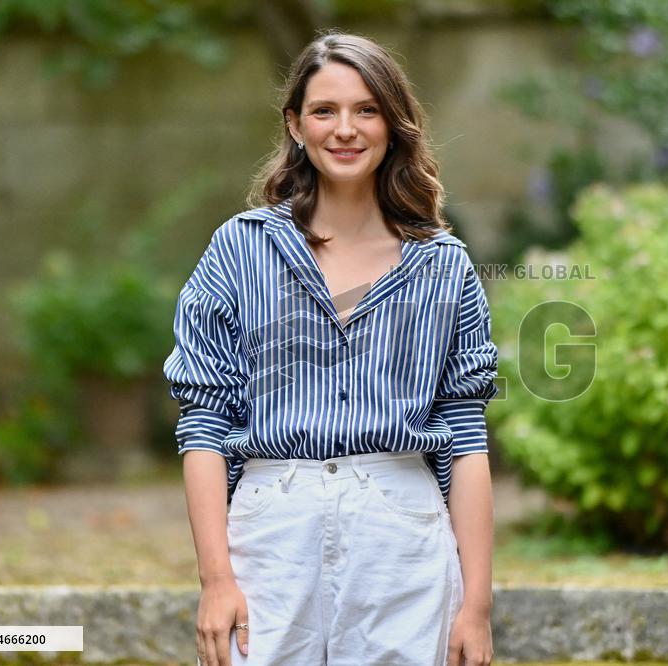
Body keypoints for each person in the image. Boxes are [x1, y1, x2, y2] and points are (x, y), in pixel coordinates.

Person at [162, 29, 499, 666]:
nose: (345, 129)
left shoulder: (443, 266)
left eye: (366, 109)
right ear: (295, 124)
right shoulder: (240, 250)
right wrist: (216, 581)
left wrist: (476, 606)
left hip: (402, 537)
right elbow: (204, 423)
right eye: (324, 111)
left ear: (394, 124)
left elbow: (466, 439)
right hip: (271, 534)